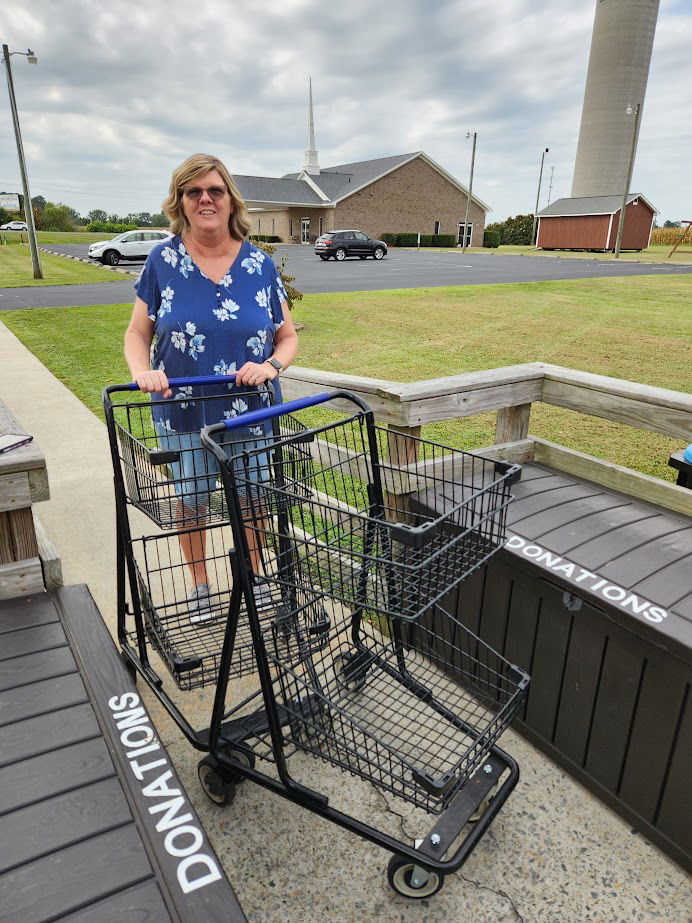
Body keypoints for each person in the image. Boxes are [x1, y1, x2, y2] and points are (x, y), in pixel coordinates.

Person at [124, 153, 298, 620]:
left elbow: (287, 336)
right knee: (191, 499)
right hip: (183, 409)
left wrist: (272, 366)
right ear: (180, 200)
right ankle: (200, 585)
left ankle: (254, 574)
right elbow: (137, 334)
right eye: (193, 191)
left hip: (252, 410)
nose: (205, 199)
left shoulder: (260, 264)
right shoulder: (163, 260)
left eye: (214, 190)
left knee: (253, 496)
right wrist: (144, 371)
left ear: (229, 199)